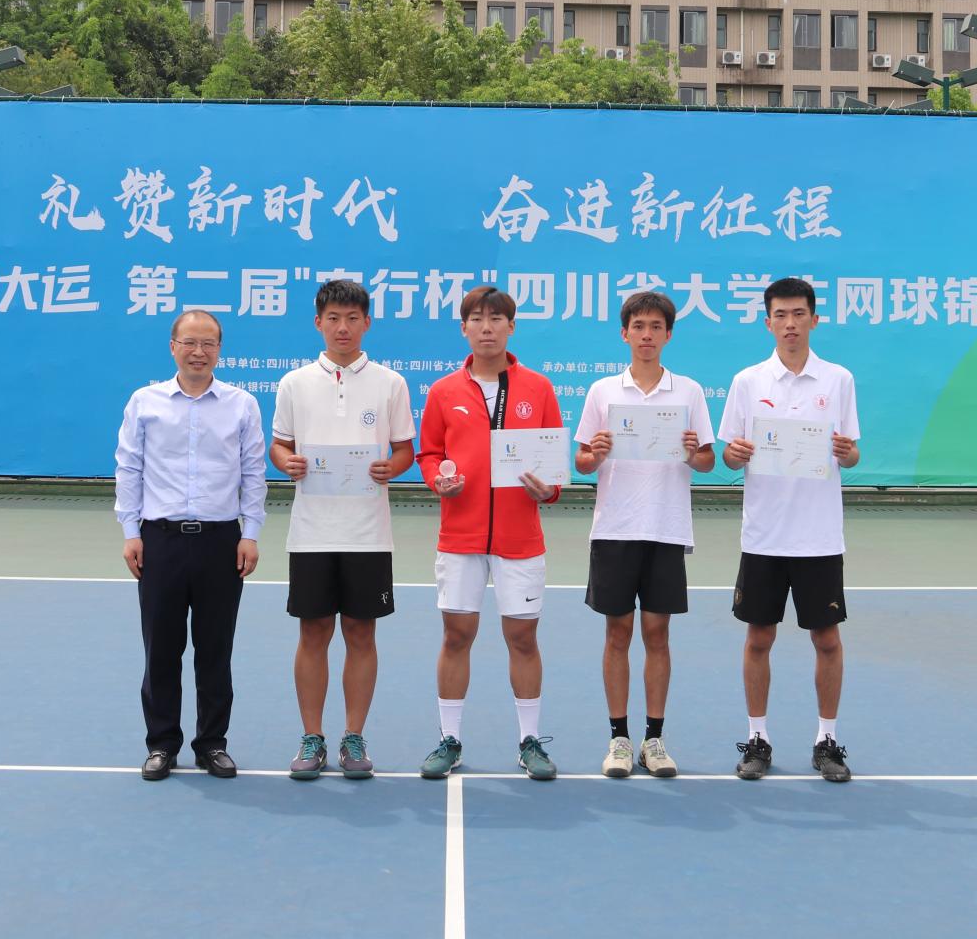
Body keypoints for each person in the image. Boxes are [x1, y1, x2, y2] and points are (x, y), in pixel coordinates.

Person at [715, 277, 861, 782]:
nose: (790, 323)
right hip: (765, 534)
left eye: (799, 314)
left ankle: (827, 741)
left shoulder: (838, 380)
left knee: (827, 639)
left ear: (814, 319)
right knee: (759, 637)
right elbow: (729, 454)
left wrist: (848, 453)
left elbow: (852, 453)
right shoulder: (748, 381)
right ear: (768, 322)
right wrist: (734, 454)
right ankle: (758, 738)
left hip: (819, 535)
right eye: (781, 315)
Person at [415, 286, 564, 781]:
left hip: (520, 538)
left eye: (496, 319)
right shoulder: (444, 391)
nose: (486, 327)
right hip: (460, 536)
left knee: (522, 637)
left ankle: (529, 741)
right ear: (464, 329)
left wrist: (549, 489)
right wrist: (437, 480)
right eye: (477, 319)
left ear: (511, 327)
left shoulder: (538, 388)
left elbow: (553, 463)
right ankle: (449, 739)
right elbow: (430, 454)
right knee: (456, 635)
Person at [271, 279, 415, 780]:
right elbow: (279, 444)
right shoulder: (294, 383)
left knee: (360, 631)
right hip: (311, 532)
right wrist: (286, 462)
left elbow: (405, 450)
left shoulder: (390, 383)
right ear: (318, 323)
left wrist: (391, 468)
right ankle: (312, 737)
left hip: (367, 533)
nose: (343, 327)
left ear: (367, 323)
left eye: (353, 318)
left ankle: (354, 736)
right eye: (333, 318)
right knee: (313, 632)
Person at [115, 309, 266, 782]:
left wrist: (250, 533)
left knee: (215, 650)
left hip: (222, 542)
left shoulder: (241, 404)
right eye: (190, 343)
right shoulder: (145, 402)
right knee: (161, 649)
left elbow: (253, 472)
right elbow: (129, 468)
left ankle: (212, 743)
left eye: (208, 344)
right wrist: (131, 531)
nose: (199, 352)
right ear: (173, 347)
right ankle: (162, 744)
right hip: (159, 541)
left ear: (219, 350)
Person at [574, 291, 714, 778]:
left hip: (665, 528)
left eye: (656, 327)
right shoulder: (602, 392)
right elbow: (582, 462)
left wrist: (693, 451)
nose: (647, 335)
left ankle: (654, 739)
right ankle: (619, 738)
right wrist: (595, 452)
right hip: (615, 529)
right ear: (625, 333)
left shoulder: (689, 392)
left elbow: (706, 461)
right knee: (618, 633)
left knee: (657, 633)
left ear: (668, 334)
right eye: (639, 326)